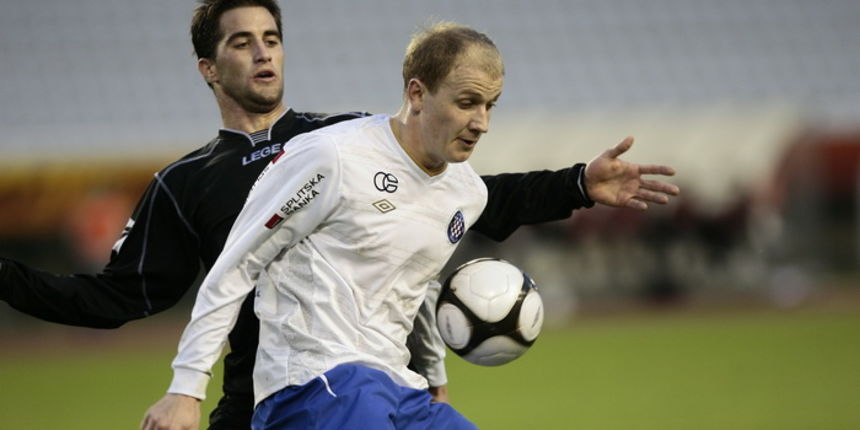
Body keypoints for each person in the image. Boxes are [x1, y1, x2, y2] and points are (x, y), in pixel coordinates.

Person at [0, 1, 679, 429]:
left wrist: (578, 184)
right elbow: (128, 293)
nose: (264, 51)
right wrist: (184, 388)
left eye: (273, 36)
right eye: (242, 42)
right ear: (208, 67)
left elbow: (443, 219)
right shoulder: (200, 181)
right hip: (285, 387)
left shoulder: (357, 135)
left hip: (384, 380)